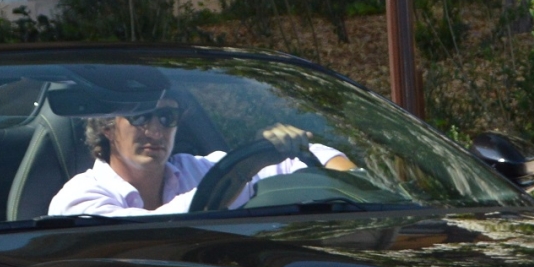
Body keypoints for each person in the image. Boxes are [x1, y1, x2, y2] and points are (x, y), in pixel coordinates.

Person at [46, 92, 353, 217]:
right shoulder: (77, 199)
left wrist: (356, 182)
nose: (155, 131)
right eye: (141, 117)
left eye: (167, 118)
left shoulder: (198, 169)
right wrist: (247, 165)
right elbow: (152, 232)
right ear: (107, 128)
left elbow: (304, 156)